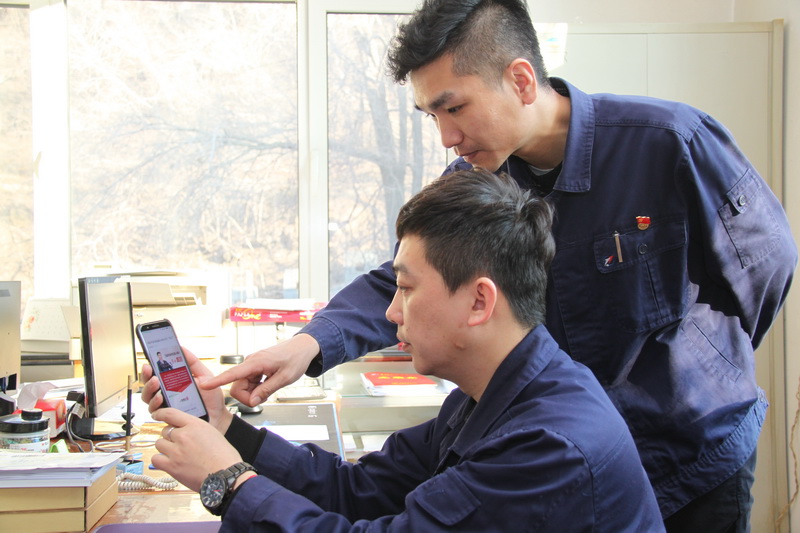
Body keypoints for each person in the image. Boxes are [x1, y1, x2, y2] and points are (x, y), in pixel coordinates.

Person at [205, 0, 798, 530]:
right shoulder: (477, 177)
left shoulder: (668, 142)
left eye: (454, 107)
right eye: (431, 116)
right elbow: (407, 277)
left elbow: (765, 266)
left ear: (520, 79)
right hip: (549, 447)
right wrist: (308, 345)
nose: (446, 136)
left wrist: (690, 368)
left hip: (691, 452)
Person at [144, 169, 664, 531]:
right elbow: (357, 492)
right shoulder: (488, 395)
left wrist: (231, 482)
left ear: (479, 301)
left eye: (406, 289)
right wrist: (225, 429)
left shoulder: (545, 449)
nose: (392, 312)